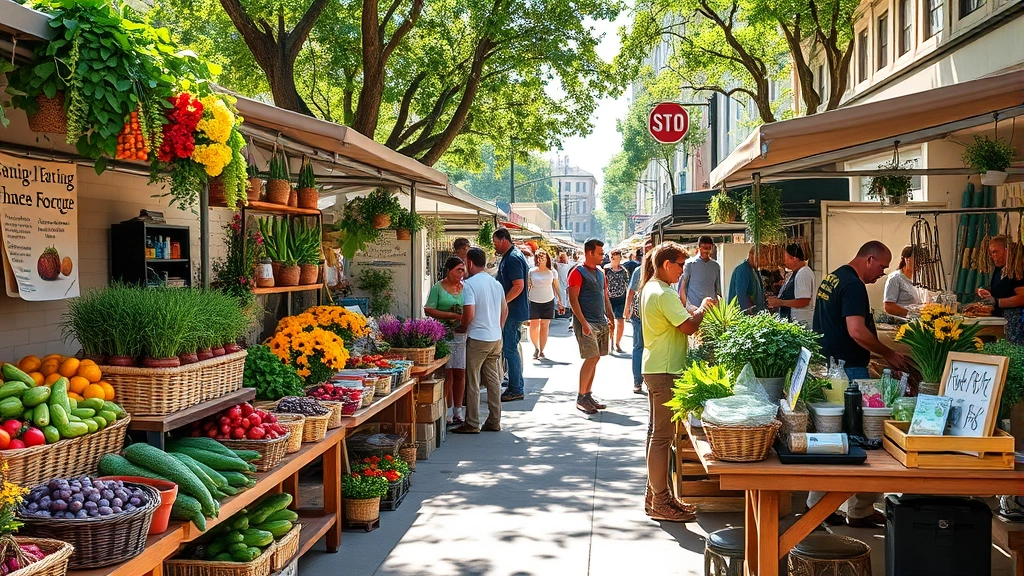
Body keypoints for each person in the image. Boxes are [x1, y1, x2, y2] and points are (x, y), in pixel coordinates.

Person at [810, 240, 910, 527]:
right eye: (881, 266)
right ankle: (857, 509)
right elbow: (856, 330)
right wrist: (889, 353)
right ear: (868, 259)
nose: (882, 272)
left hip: (831, 367)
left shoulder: (834, 276)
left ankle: (820, 506)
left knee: (832, 436)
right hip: (850, 371)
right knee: (866, 437)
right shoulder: (853, 286)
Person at [640, 242, 714, 522]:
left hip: (657, 367)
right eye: (681, 265)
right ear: (666, 264)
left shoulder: (651, 288)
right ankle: (660, 500)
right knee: (661, 438)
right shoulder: (664, 293)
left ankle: (657, 495)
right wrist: (704, 307)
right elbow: (688, 326)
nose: (683, 271)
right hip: (665, 371)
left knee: (656, 435)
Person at [452, 248, 507, 434]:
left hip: (478, 338)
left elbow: (469, 313)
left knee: (473, 381)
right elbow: (504, 310)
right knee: (493, 380)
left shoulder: (470, 285)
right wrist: (497, 328)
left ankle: (473, 422)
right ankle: (494, 420)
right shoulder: (495, 283)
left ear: (469, 262)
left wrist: (463, 327)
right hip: (495, 337)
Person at [567, 239, 614, 415]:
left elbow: (605, 296)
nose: (603, 256)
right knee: (592, 357)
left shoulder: (601, 273)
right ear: (590, 253)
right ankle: (581, 396)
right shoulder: (577, 272)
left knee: (596, 358)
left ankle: (587, 394)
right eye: (600, 253)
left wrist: (610, 316)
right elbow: (573, 299)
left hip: (600, 321)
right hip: (586, 322)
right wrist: (583, 322)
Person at [424, 257, 467, 427]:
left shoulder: (465, 288)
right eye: (458, 269)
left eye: (463, 270)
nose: (461, 273)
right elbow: (428, 309)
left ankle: (459, 409)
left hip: (461, 334)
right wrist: (451, 315)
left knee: (460, 372)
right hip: (443, 334)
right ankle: (448, 411)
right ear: (449, 270)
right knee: (448, 373)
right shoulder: (438, 287)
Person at [492, 227, 529, 402]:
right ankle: (515, 384)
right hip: (515, 310)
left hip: (512, 312)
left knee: (510, 349)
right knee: (511, 348)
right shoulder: (514, 255)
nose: (494, 247)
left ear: (503, 239)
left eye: (495, 242)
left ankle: (516, 388)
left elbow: (519, 285)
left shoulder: (513, 258)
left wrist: (503, 303)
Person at [978, 235, 1024, 344]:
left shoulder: (1017, 270)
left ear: (1007, 250)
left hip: (1017, 323)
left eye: (995, 252)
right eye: (991, 253)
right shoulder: (999, 270)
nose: (992, 256)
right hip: (1002, 322)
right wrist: (987, 293)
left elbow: (1022, 298)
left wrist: (998, 302)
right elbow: (1001, 290)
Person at [625, 240, 655, 395]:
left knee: (643, 347)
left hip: (652, 314)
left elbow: (631, 291)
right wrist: (627, 309)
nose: (647, 253)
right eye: (645, 250)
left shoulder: (654, 269)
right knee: (640, 347)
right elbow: (631, 291)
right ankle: (638, 381)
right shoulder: (641, 270)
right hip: (641, 314)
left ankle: (645, 381)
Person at [766, 243, 816, 327]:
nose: (785, 262)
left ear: (794, 258)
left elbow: (804, 301)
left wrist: (781, 302)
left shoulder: (803, 273)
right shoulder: (795, 272)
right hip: (793, 321)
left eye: (787, 259)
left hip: (801, 322)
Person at [527, 250, 563, 360]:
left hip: (548, 300)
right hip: (533, 300)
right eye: (539, 257)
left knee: (544, 326)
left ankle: (542, 350)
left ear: (547, 259)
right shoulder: (531, 272)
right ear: (536, 259)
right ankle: (535, 347)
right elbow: (528, 286)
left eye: (543, 257)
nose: (541, 260)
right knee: (534, 325)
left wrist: (560, 301)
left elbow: (556, 287)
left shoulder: (552, 272)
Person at [678, 236, 721, 310]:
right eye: (704, 247)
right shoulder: (690, 264)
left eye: (709, 248)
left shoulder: (715, 266)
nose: (706, 250)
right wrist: (687, 308)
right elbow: (682, 288)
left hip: (710, 311)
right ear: (699, 247)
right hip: (693, 310)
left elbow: (717, 291)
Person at [883, 245, 922, 318]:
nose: (919, 262)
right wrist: (911, 313)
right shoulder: (895, 278)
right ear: (906, 259)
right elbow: (888, 306)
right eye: (915, 259)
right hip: (902, 322)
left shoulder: (918, 278)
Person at [604, 249, 631, 353]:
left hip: (621, 298)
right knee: (609, 322)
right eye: (613, 257)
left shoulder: (623, 270)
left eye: (617, 257)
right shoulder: (606, 269)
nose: (615, 259)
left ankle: (617, 343)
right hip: (608, 299)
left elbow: (627, 284)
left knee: (620, 321)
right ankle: (610, 341)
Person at [728, 246, 765, 314]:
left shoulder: (756, 271)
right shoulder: (743, 269)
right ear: (751, 255)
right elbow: (742, 295)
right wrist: (750, 314)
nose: (763, 261)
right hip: (743, 316)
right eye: (761, 257)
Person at [555, 252, 573, 320]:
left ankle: (560, 311)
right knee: (565, 298)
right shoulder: (567, 266)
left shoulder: (557, 265)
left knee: (560, 298)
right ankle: (564, 311)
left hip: (559, 284)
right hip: (564, 283)